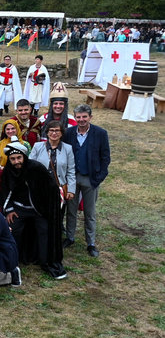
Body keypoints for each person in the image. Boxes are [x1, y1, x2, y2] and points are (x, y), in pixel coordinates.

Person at [0, 140, 67, 279]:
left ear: (24, 156)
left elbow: (51, 187)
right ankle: (13, 259)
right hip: (19, 209)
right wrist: (9, 209)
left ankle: (46, 262)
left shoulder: (36, 168)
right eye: (12, 159)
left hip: (38, 210)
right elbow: (5, 191)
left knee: (44, 231)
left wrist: (48, 207)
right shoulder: (9, 171)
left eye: (19, 158)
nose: (16, 161)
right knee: (12, 230)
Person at [63, 104, 110, 257]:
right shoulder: (69, 133)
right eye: (78, 117)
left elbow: (105, 157)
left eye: (84, 117)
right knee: (71, 210)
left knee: (89, 212)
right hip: (72, 177)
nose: (81, 120)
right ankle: (70, 237)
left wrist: (99, 177)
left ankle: (90, 242)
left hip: (91, 178)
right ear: (74, 118)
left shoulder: (100, 134)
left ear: (90, 117)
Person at [31, 121, 76, 238]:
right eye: (51, 130)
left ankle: (55, 238)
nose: (54, 133)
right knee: (41, 214)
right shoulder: (38, 146)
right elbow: (30, 168)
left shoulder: (68, 149)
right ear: (47, 132)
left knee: (58, 215)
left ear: (61, 133)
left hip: (59, 189)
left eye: (57, 131)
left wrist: (71, 189)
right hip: (41, 188)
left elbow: (71, 170)